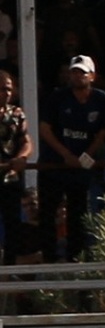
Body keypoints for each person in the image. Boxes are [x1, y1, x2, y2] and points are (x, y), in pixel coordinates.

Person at [37, 54, 105, 262]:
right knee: (48, 214)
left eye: (82, 73)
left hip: (80, 168)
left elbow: (103, 130)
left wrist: (88, 154)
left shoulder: (101, 99)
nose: (78, 76)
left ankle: (75, 261)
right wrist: (66, 155)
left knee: (78, 215)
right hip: (54, 164)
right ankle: (49, 262)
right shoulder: (57, 97)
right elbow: (45, 129)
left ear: (92, 76)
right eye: (74, 72)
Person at [0, 70, 31, 265]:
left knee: (13, 226)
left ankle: (9, 271)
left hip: (9, 177)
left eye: (9, 89)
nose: (7, 93)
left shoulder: (17, 114)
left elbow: (26, 141)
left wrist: (22, 157)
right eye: (2, 89)